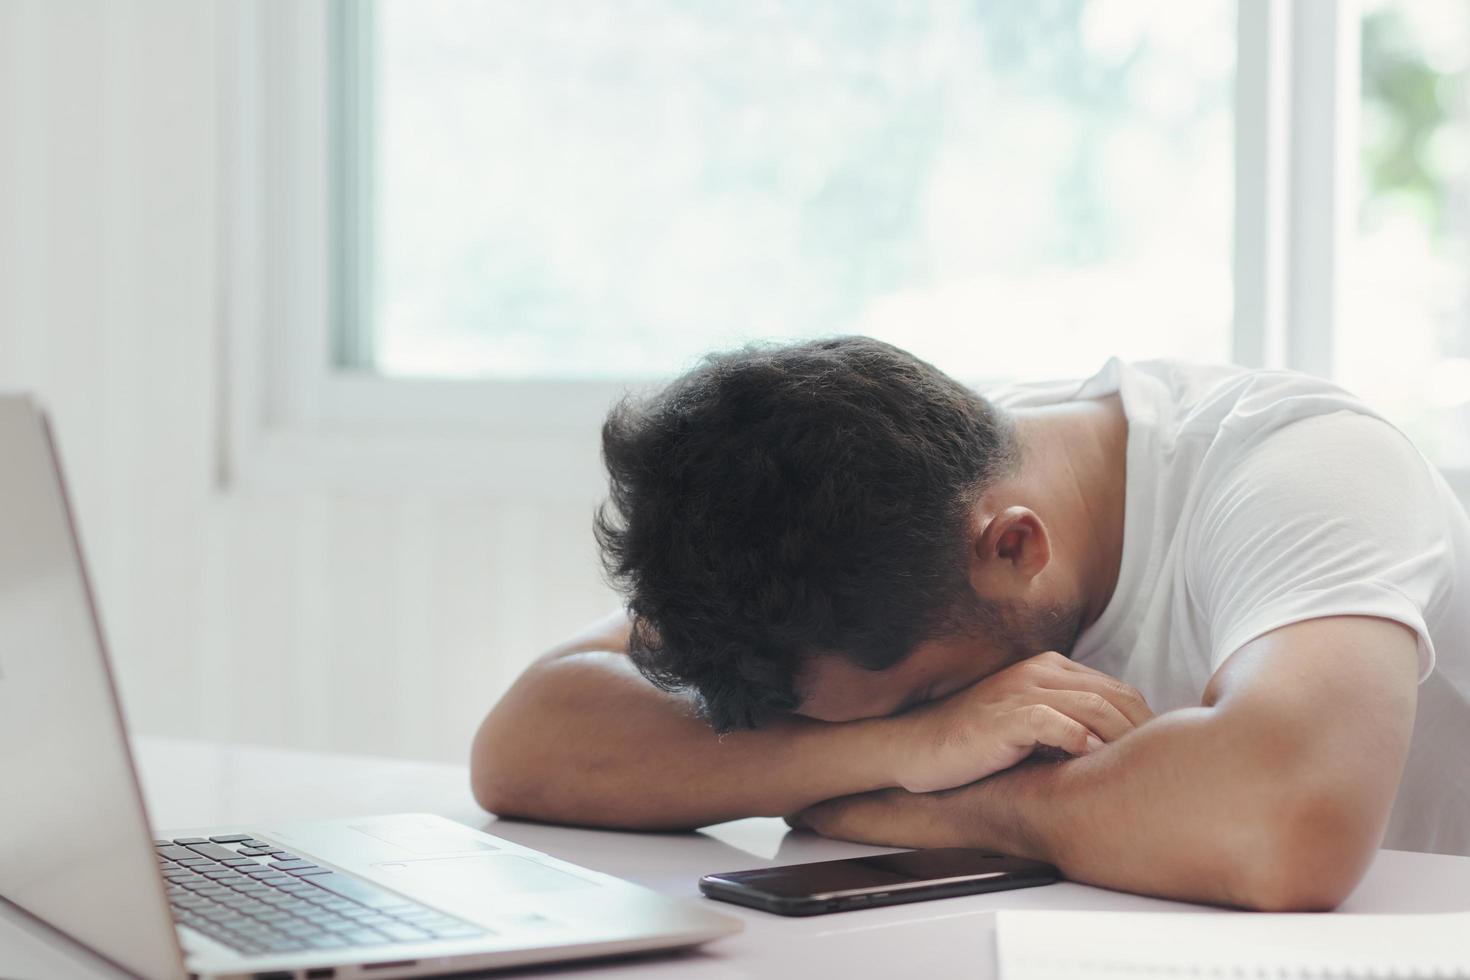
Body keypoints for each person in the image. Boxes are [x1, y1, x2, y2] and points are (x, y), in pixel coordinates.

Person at [470, 336, 1470, 911]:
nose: (908, 745)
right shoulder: (862, 516)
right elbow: (525, 742)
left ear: (1016, 547)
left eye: (933, 695)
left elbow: (1288, 825)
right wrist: (902, 742)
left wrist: (927, 803)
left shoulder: (1309, 471)